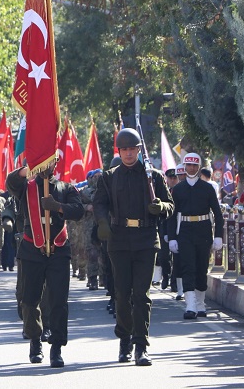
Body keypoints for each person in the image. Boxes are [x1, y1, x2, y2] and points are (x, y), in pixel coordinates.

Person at [93, 128, 174, 366]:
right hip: (118, 239)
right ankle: (124, 339)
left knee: (142, 295)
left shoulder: (154, 177)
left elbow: (170, 205)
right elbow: (99, 204)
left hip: (146, 238)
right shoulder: (109, 177)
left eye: (133, 149)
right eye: (125, 150)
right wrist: (103, 223)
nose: (129, 154)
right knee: (122, 295)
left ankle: (141, 346)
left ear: (139, 150)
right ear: (119, 151)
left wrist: (161, 207)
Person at [7, 156, 84, 368]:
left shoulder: (65, 188)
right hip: (32, 249)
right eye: (42, 160)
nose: (45, 165)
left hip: (58, 250)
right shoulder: (26, 187)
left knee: (58, 301)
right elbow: (11, 181)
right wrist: (28, 169)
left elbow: (79, 211)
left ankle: (56, 347)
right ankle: (35, 340)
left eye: (49, 161)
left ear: (55, 164)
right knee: (29, 299)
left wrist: (58, 206)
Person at [168, 153, 223, 320]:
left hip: (203, 230)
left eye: (194, 165)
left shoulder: (207, 188)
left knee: (201, 267)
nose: (191, 168)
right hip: (184, 230)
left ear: (199, 167)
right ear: (184, 167)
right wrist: (171, 237)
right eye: (188, 165)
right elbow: (172, 214)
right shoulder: (177, 189)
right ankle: (190, 305)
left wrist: (218, 236)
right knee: (187, 267)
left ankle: (200, 304)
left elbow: (218, 214)